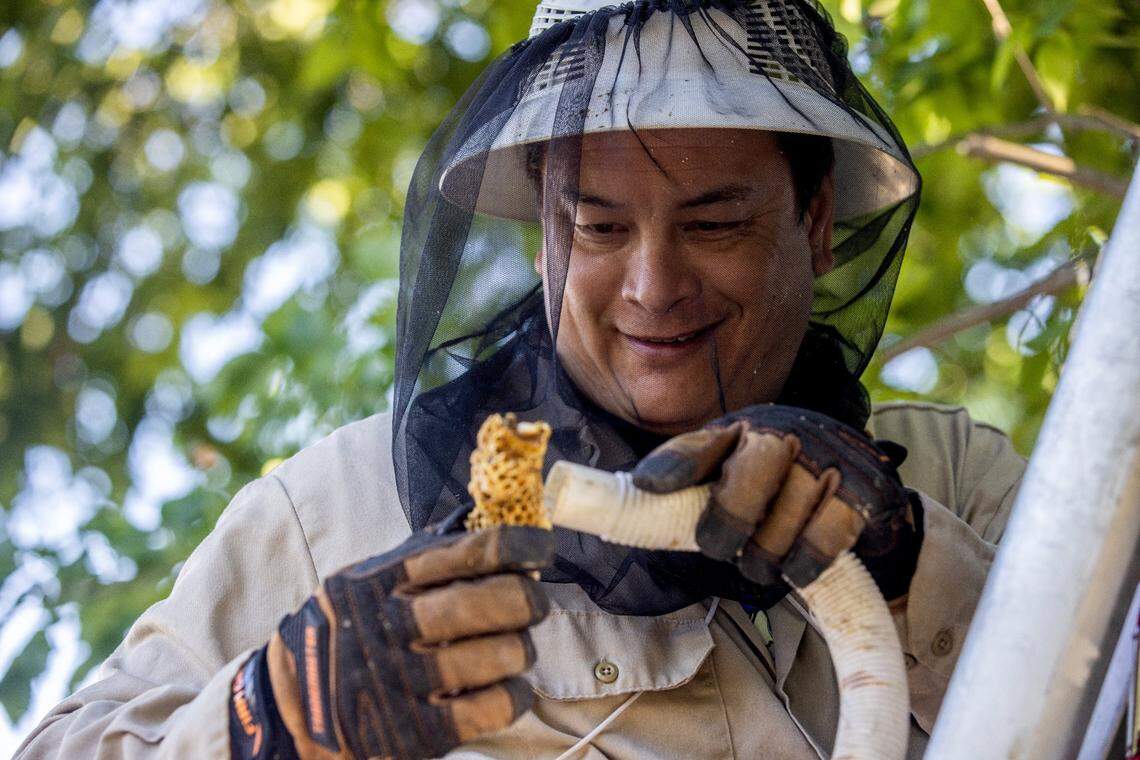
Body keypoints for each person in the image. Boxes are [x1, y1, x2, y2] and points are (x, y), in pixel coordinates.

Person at [16, 1, 1026, 758]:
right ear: (543, 235)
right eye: (599, 226)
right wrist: (272, 713)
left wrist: (906, 570)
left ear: (815, 222)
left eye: (715, 223)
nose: (653, 286)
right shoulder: (338, 511)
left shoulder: (952, 476)